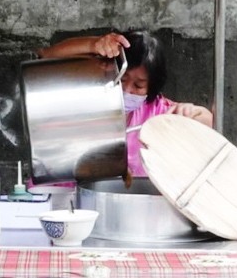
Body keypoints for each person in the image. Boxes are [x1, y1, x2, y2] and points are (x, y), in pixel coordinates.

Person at [40, 30, 212, 177]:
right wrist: (93, 44)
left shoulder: (159, 113)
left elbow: (208, 122)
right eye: (122, 79)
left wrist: (192, 114)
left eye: (138, 85)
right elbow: (46, 55)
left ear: (151, 88)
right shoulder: (86, 95)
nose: (127, 90)